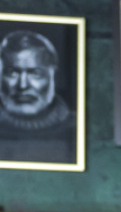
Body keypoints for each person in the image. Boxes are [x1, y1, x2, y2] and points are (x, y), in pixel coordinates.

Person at [0, 29, 77, 165]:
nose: (23, 85)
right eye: (12, 73)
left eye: (35, 73)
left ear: (54, 77)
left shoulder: (77, 128)